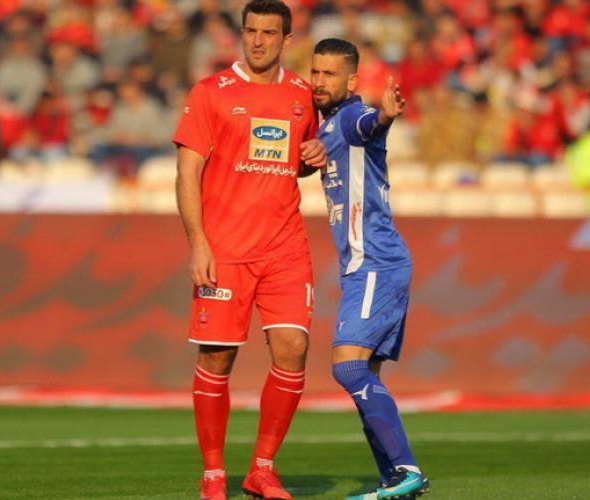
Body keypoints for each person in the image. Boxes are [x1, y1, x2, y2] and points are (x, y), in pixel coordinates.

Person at [172, 1, 326, 499]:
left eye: (269, 33)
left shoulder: (302, 94)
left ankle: (262, 468)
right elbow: (187, 172)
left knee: (294, 349)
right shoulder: (211, 92)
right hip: (225, 249)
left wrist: (313, 156)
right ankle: (213, 475)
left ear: (286, 39)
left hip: (285, 247)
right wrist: (198, 243)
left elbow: (297, 160)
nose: (258, 41)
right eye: (251, 31)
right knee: (217, 359)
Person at [308, 38, 429, 500]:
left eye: (330, 74)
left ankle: (406, 470)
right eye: (315, 72)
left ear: (351, 80)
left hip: (375, 261)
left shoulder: (351, 117)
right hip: (370, 264)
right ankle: (394, 480)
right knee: (364, 377)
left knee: (348, 368)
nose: (320, 81)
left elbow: (369, 123)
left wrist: (385, 115)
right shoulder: (326, 124)